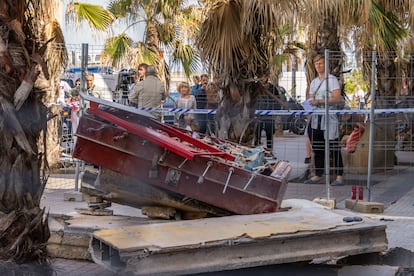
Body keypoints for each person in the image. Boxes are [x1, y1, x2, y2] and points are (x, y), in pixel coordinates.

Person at [304, 54, 344, 186]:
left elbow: (337, 98)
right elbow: (311, 100)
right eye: (316, 64)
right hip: (316, 119)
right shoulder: (314, 82)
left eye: (321, 63)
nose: (318, 66)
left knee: (333, 147)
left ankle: (339, 176)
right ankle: (318, 174)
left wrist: (320, 101)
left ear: (325, 64)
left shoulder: (331, 80)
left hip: (329, 117)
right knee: (318, 147)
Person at [255, 78, 283, 150]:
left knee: (269, 134)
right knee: (257, 133)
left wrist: (275, 112)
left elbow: (277, 101)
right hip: (258, 116)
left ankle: (269, 150)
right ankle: (256, 151)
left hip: (269, 115)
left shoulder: (272, 88)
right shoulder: (255, 87)